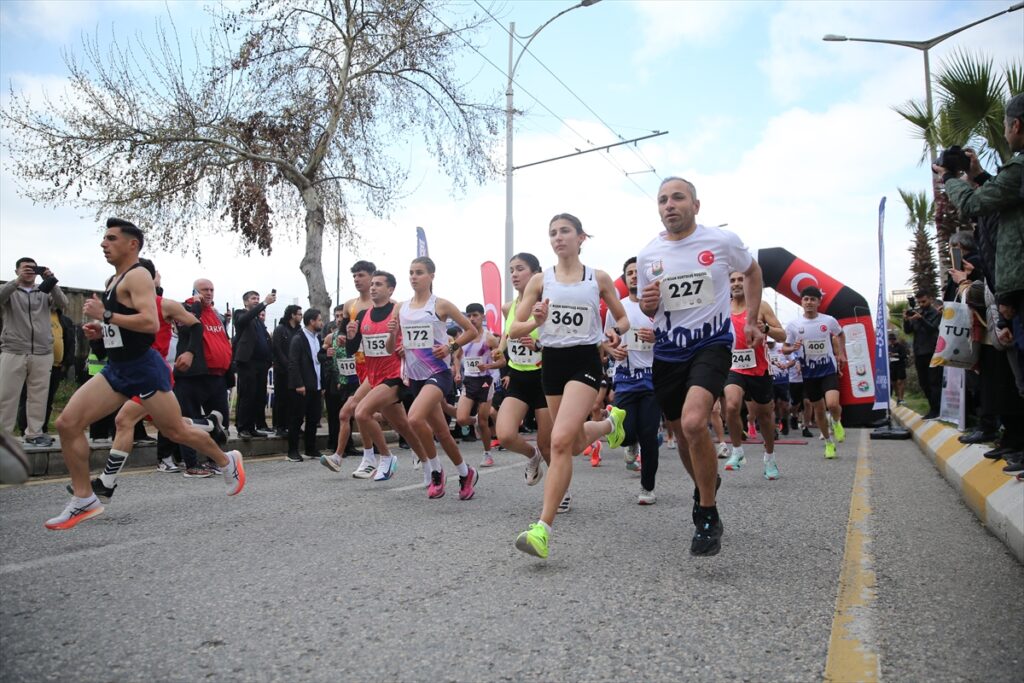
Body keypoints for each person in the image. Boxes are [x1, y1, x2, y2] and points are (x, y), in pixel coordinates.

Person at [47, 218, 244, 530]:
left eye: (111, 238)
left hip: (144, 369)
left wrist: (107, 314)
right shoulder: (114, 281)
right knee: (67, 423)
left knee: (176, 430)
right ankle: (85, 498)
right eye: (103, 238)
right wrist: (100, 330)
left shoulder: (139, 276)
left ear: (132, 244)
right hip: (118, 368)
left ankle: (225, 460)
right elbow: (123, 326)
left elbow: (150, 324)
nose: (104, 244)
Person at [636, 177, 765, 557]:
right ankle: (706, 484)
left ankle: (707, 513)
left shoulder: (720, 242)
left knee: (695, 422)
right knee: (680, 430)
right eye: (662, 200)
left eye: (677, 198)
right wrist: (647, 304)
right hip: (668, 352)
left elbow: (754, 272)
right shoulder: (648, 256)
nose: (669, 205)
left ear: (696, 204)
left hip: (711, 345)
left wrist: (753, 318)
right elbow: (650, 308)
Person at [512, 213, 629, 559]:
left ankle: (542, 530)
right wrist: (535, 320)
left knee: (559, 441)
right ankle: (610, 423)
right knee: (575, 442)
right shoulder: (540, 280)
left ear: (581, 238)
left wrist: (615, 331)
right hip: (552, 364)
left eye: (565, 231)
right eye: (552, 233)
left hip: (584, 363)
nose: (558, 237)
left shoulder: (598, 278)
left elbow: (621, 317)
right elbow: (514, 331)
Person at [67, 260, 227, 500]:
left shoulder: (163, 305)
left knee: (131, 420)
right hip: (125, 373)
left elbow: (194, 326)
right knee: (170, 426)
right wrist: (98, 335)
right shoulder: (123, 311)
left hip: (150, 374)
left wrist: (190, 352)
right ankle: (208, 423)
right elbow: (111, 345)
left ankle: (106, 483)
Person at [392, 257, 480, 499]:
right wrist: (399, 344)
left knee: (414, 418)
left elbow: (471, 332)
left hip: (438, 373)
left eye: (419, 272)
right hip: (416, 376)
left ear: (431, 276)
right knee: (441, 432)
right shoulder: (401, 307)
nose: (413, 276)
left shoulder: (440, 305)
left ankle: (435, 470)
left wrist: (450, 348)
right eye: (411, 272)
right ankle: (465, 473)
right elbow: (398, 343)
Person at [343, 271, 429, 485]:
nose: (372, 288)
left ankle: (386, 457)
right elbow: (352, 350)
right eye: (372, 284)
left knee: (361, 411)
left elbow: (417, 338)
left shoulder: (399, 311)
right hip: (374, 377)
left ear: (390, 289)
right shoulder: (363, 316)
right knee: (404, 427)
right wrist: (351, 337)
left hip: (395, 376)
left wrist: (404, 347)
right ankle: (430, 465)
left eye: (378, 284)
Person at [493, 253, 553, 490]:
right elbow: (507, 335)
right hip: (518, 376)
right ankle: (532, 456)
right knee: (506, 435)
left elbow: (561, 342)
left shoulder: (548, 304)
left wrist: (539, 346)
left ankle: (560, 490)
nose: (514, 275)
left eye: (520, 269)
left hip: (544, 378)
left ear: (536, 273)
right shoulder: (509, 307)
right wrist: (499, 350)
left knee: (547, 442)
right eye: (511, 270)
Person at [722, 270, 787, 479]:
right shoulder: (723, 308)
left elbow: (782, 334)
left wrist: (766, 327)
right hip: (734, 367)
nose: (736, 283)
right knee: (731, 405)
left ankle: (769, 456)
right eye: (732, 280)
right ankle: (738, 451)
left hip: (759, 369)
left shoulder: (761, 307)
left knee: (764, 416)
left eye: (741, 279)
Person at [605, 257, 660, 503]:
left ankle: (647, 488)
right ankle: (630, 443)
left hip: (652, 377)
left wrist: (657, 338)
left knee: (648, 434)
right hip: (625, 377)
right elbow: (605, 339)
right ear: (626, 278)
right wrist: (611, 351)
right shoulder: (618, 308)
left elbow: (674, 337)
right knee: (626, 434)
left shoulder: (660, 306)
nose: (634, 276)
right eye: (630, 273)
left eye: (638, 272)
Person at [0, 257, 69, 447]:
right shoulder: (10, 290)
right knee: (7, 395)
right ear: (16, 271)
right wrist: (16, 282)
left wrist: (52, 281)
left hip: (42, 351)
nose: (29, 271)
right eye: (25, 268)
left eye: (32, 268)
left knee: (39, 395)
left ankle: (34, 433)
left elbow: (63, 303)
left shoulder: (43, 291)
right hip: (13, 350)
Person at [172, 277, 234, 477]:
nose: (209, 293)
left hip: (216, 377)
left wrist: (228, 372)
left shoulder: (215, 315)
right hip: (192, 377)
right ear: (194, 291)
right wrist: (196, 305)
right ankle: (191, 464)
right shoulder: (185, 309)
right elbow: (186, 328)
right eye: (204, 290)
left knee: (220, 422)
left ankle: (214, 460)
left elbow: (223, 341)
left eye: (211, 290)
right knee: (189, 420)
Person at [783, 286, 847, 459]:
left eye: (813, 299)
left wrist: (840, 353)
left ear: (819, 302)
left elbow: (840, 334)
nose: (809, 302)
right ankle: (828, 442)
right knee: (819, 410)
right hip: (809, 373)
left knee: (833, 404)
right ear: (801, 302)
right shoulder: (794, 325)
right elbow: (785, 348)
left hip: (828, 369)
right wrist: (792, 347)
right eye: (806, 299)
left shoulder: (828, 321)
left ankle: (836, 421)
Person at [455, 303, 499, 467]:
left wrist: (488, 366)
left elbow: (501, 361)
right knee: (461, 418)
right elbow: (457, 355)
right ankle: (474, 422)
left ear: (482, 317)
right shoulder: (464, 337)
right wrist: (458, 371)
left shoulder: (489, 338)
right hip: (469, 381)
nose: (472, 319)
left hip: (485, 382)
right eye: (469, 316)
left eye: (475, 315)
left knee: (483, 421)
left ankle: (487, 454)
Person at [233, 289, 276, 437]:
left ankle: (252, 427)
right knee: (247, 394)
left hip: (261, 364)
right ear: (245, 301)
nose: (256, 300)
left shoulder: (258, 320)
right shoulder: (240, 313)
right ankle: (243, 427)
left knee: (258, 396)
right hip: (247, 362)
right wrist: (264, 303)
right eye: (253, 298)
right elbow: (243, 320)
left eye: (258, 298)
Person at [286, 309, 325, 462]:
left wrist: (321, 384)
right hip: (302, 387)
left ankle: (311, 448)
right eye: (319, 320)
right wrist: (298, 384)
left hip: (315, 386)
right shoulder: (299, 338)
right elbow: (293, 363)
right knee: (296, 419)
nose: (321, 323)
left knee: (313, 419)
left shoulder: (317, 339)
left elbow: (318, 362)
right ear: (311, 321)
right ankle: (292, 451)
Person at [322, 305, 360, 457]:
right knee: (336, 414)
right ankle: (335, 445)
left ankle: (348, 445)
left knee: (349, 414)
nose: (338, 320)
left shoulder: (355, 335)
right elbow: (320, 356)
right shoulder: (331, 337)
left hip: (353, 379)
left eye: (341, 317)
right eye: (336, 316)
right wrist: (326, 352)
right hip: (335, 379)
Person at [901, 289, 942, 419]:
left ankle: (937, 410)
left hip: (932, 352)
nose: (921, 304)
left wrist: (921, 319)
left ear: (930, 299)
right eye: (919, 302)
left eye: (923, 301)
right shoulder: (917, 313)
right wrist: (906, 320)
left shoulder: (936, 313)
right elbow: (908, 331)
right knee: (924, 383)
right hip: (919, 353)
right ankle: (932, 408)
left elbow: (932, 328)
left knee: (934, 382)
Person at [271, 305, 302, 436]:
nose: (301, 317)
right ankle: (280, 426)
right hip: (282, 371)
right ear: (292, 315)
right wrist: (287, 365)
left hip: (296, 372)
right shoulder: (280, 329)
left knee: (294, 401)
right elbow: (277, 349)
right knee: (281, 399)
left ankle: (293, 425)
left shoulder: (300, 331)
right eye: (299, 314)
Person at [887, 332, 908, 406]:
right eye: (890, 339)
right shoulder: (888, 347)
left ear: (895, 339)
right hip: (892, 366)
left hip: (900, 366)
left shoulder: (900, 346)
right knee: (894, 383)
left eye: (893, 339)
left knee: (900, 382)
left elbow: (904, 356)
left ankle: (901, 399)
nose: (892, 341)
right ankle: (898, 396)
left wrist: (895, 355)